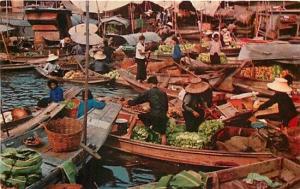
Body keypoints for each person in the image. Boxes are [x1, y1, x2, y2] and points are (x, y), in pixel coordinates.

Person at [125, 76, 169, 144]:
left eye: (148, 84)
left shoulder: (149, 92)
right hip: (163, 116)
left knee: (136, 116)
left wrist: (129, 102)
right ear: (156, 83)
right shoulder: (163, 93)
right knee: (163, 134)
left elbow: (138, 100)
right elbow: (166, 107)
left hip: (155, 115)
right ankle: (164, 148)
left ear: (150, 84)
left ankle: (128, 135)